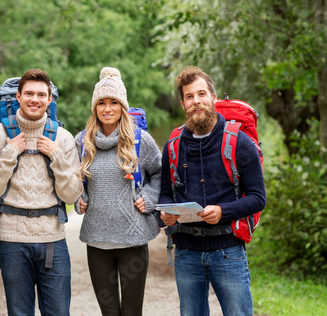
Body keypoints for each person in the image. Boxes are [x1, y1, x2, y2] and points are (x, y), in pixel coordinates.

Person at [159, 66, 266, 316]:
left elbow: (258, 198)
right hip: (185, 253)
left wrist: (223, 211)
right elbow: (165, 194)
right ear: (183, 104)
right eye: (189, 96)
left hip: (228, 251)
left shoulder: (239, 142)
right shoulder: (173, 146)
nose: (196, 101)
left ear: (213, 98)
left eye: (201, 94)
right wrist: (164, 215)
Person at [0, 69, 83, 316]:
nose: (34, 99)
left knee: (58, 312)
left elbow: (71, 195)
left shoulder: (63, 138)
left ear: (49, 99)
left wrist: (56, 156)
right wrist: (9, 154)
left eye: (41, 94)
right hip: (12, 240)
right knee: (19, 313)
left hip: (52, 240)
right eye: (29, 93)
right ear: (18, 96)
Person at [75, 67, 162, 316]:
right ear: (95, 108)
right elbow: (75, 183)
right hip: (97, 240)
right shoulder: (82, 142)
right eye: (101, 102)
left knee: (132, 311)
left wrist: (150, 198)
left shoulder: (140, 141)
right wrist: (79, 200)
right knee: (109, 311)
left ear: (122, 106)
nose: (107, 108)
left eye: (114, 102)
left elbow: (159, 174)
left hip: (132, 239)